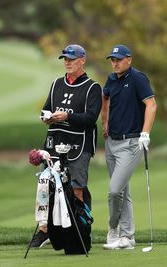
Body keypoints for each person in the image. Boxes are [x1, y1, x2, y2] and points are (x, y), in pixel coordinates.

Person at [30, 44, 102, 248]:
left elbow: (90, 118)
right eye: (65, 59)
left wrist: (67, 116)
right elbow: (46, 110)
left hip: (79, 145)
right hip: (54, 143)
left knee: (77, 188)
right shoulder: (56, 84)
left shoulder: (92, 87)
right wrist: (47, 118)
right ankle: (45, 230)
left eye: (72, 59)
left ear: (82, 60)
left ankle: (79, 230)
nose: (67, 62)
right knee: (47, 187)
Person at [101, 44, 157, 250]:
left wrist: (145, 133)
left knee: (115, 191)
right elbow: (105, 97)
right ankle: (127, 238)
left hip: (132, 142)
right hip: (111, 143)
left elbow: (151, 104)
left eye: (118, 59)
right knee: (122, 190)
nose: (115, 63)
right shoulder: (111, 79)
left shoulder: (137, 78)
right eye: (113, 60)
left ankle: (113, 228)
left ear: (129, 60)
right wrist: (105, 121)